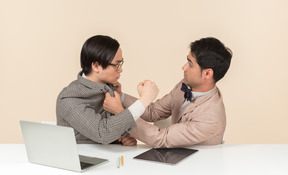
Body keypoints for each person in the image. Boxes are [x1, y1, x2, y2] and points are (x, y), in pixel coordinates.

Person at [104, 37, 232, 148]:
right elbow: (153, 112)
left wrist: (120, 114)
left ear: (208, 73)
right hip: (174, 156)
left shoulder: (211, 117)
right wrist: (121, 96)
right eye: (187, 61)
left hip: (198, 167)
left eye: (190, 64)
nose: (184, 68)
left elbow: (160, 138)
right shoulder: (185, 85)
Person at [56, 35, 159, 145]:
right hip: (80, 159)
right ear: (96, 66)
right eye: (117, 64)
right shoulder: (68, 99)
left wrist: (124, 138)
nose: (121, 69)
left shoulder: (110, 88)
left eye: (121, 63)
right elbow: (103, 133)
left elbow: (118, 124)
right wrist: (144, 100)